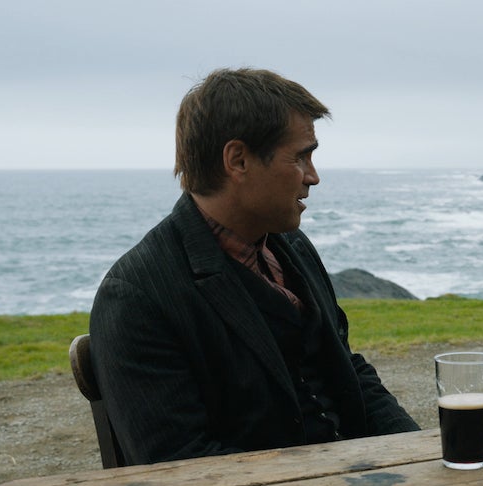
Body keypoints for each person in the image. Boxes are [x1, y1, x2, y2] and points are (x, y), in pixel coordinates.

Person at [89, 68, 419, 465]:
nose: (313, 177)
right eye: (301, 156)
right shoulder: (136, 297)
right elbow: (179, 466)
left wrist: (419, 453)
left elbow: (346, 369)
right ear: (238, 160)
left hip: (357, 481)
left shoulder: (292, 246)